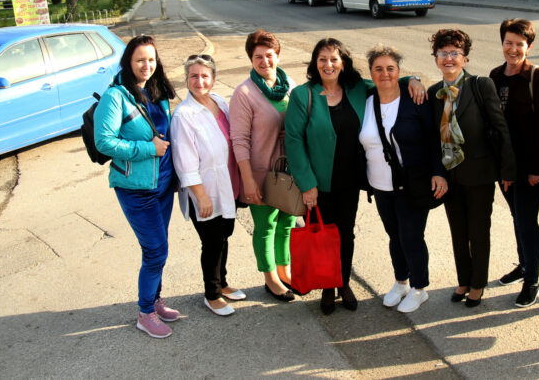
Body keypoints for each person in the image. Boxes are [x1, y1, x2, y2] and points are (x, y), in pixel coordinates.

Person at [284, 38, 426, 314]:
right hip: (318, 182)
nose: (328, 64)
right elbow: (293, 140)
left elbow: (387, 78)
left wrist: (414, 79)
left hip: (350, 180)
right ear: (315, 63)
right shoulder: (303, 95)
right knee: (323, 235)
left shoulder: (357, 88)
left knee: (345, 234)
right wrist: (307, 184)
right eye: (323, 59)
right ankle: (327, 287)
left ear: (343, 63)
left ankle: (343, 283)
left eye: (334, 59)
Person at [94, 35, 179, 339]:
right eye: (140, 59)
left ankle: (155, 300)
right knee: (155, 250)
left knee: (160, 247)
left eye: (151, 59)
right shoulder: (115, 96)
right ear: (128, 62)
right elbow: (104, 142)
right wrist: (148, 149)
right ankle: (145, 313)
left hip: (163, 186)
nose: (147, 65)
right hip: (136, 188)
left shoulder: (156, 92)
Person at [427, 29, 516, 308]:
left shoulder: (480, 85)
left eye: (455, 53)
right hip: (450, 175)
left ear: (465, 59)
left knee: (478, 232)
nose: (449, 58)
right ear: (436, 58)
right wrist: (438, 172)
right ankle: (463, 280)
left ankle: (478, 284)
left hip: (479, 174)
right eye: (443, 53)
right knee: (458, 231)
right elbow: (433, 138)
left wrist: (507, 170)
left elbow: (500, 127)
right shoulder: (433, 92)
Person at [358, 45, 447, 313]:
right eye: (378, 69)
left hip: (413, 183)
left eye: (391, 68)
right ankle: (401, 282)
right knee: (394, 236)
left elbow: (433, 138)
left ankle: (420, 288)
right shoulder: (367, 100)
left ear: (399, 72)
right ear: (371, 73)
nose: (385, 73)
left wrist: (439, 172)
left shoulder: (414, 99)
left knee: (411, 236)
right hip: (380, 184)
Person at [171, 54, 246, 317]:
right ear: (186, 79)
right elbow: (184, 161)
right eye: (194, 76)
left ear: (213, 78)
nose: (199, 81)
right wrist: (200, 195)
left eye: (205, 76)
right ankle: (212, 294)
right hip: (205, 191)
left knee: (223, 236)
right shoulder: (184, 115)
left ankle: (222, 282)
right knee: (212, 242)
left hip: (227, 185)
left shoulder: (219, 102)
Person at [229, 29, 296, 302]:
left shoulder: (289, 86)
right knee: (266, 226)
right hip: (261, 173)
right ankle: (270, 278)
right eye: (258, 56)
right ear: (251, 59)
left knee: (287, 223)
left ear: (277, 55)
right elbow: (239, 140)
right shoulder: (244, 93)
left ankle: (284, 270)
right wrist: (248, 180)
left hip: (290, 171)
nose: (265, 61)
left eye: (269, 55)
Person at [490, 19, 539, 308]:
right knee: (517, 217)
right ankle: (524, 265)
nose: (513, 49)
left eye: (519, 44)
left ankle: (533, 280)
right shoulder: (495, 75)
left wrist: (537, 169)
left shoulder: (537, 77)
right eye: (509, 43)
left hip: (530, 168)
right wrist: (500, 166)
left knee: (527, 220)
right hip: (506, 166)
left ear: (529, 46)